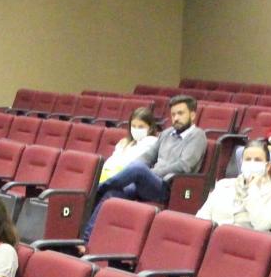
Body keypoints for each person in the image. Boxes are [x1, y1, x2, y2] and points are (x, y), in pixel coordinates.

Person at [81, 95, 206, 240]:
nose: (176, 118)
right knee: (112, 194)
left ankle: (98, 187)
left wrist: (148, 172)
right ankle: (85, 240)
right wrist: (139, 170)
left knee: (138, 169)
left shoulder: (197, 136)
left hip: (169, 187)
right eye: (173, 114)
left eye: (180, 113)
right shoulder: (166, 134)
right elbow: (148, 156)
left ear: (192, 114)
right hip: (149, 183)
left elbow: (184, 166)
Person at [196, 141, 271, 230]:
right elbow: (202, 216)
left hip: (245, 241)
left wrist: (253, 188)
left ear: (267, 166)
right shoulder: (223, 185)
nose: (252, 163)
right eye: (248, 159)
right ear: (242, 163)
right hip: (214, 238)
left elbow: (263, 225)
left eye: (257, 160)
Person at [100, 107, 159, 183]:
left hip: (128, 181)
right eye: (133, 126)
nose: (136, 129)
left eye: (141, 127)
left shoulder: (151, 142)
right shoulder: (126, 142)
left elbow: (130, 163)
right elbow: (112, 161)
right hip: (110, 175)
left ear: (150, 128)